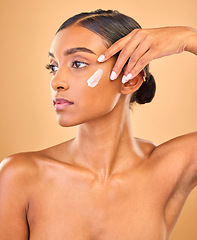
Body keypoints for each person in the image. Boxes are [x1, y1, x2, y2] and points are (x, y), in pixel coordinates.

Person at [0, 9, 197, 240]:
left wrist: (189, 38)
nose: (56, 81)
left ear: (130, 79)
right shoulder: (19, 176)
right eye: (53, 66)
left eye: (78, 63)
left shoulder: (171, 168)